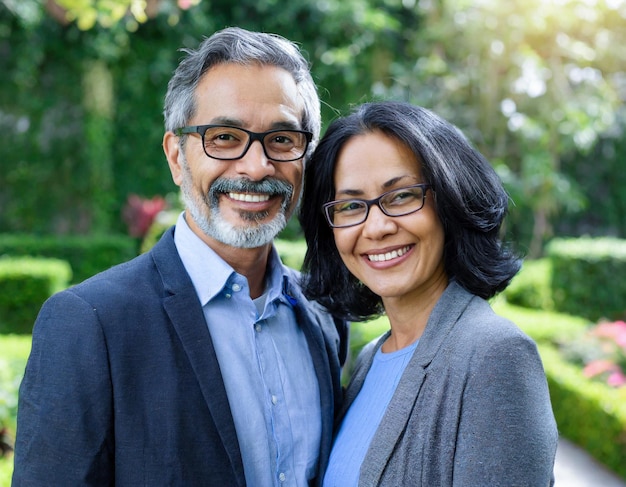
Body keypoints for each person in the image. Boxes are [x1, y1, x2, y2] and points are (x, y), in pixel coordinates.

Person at [13, 27, 347, 487]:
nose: (256, 166)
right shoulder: (90, 324)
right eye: (225, 137)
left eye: (282, 139)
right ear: (176, 156)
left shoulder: (324, 313)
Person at [299, 101, 558, 486]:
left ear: (450, 202)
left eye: (401, 195)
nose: (377, 227)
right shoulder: (371, 359)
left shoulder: (495, 355)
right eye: (352, 205)